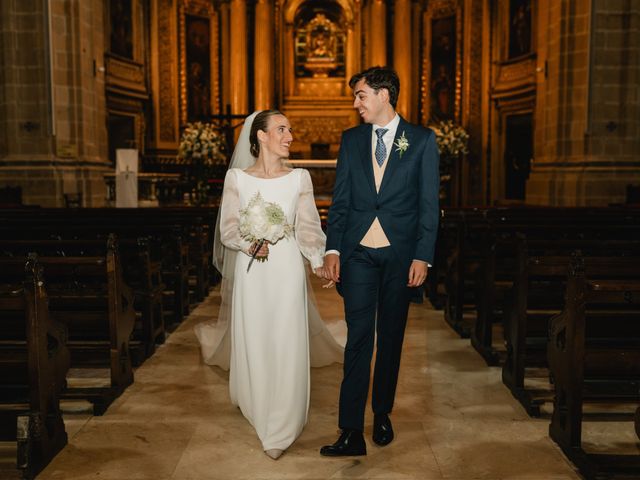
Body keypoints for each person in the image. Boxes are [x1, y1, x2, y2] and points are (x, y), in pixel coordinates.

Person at [194, 110, 343, 460]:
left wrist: (318, 261)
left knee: (286, 336)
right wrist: (248, 244)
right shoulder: (237, 179)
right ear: (260, 136)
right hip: (252, 269)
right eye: (281, 129)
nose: (290, 135)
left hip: (286, 268)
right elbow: (228, 229)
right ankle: (258, 404)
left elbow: (307, 227)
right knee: (256, 335)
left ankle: (283, 422)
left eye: (290, 129)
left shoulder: (299, 178)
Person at [320, 66, 440, 456]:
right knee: (358, 338)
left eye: (361, 95)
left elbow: (428, 204)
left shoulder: (421, 140)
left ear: (384, 94)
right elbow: (340, 201)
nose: (356, 103)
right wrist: (333, 248)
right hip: (356, 254)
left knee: (390, 338)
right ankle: (351, 430)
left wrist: (423, 255)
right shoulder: (351, 140)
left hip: (400, 256)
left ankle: (382, 413)